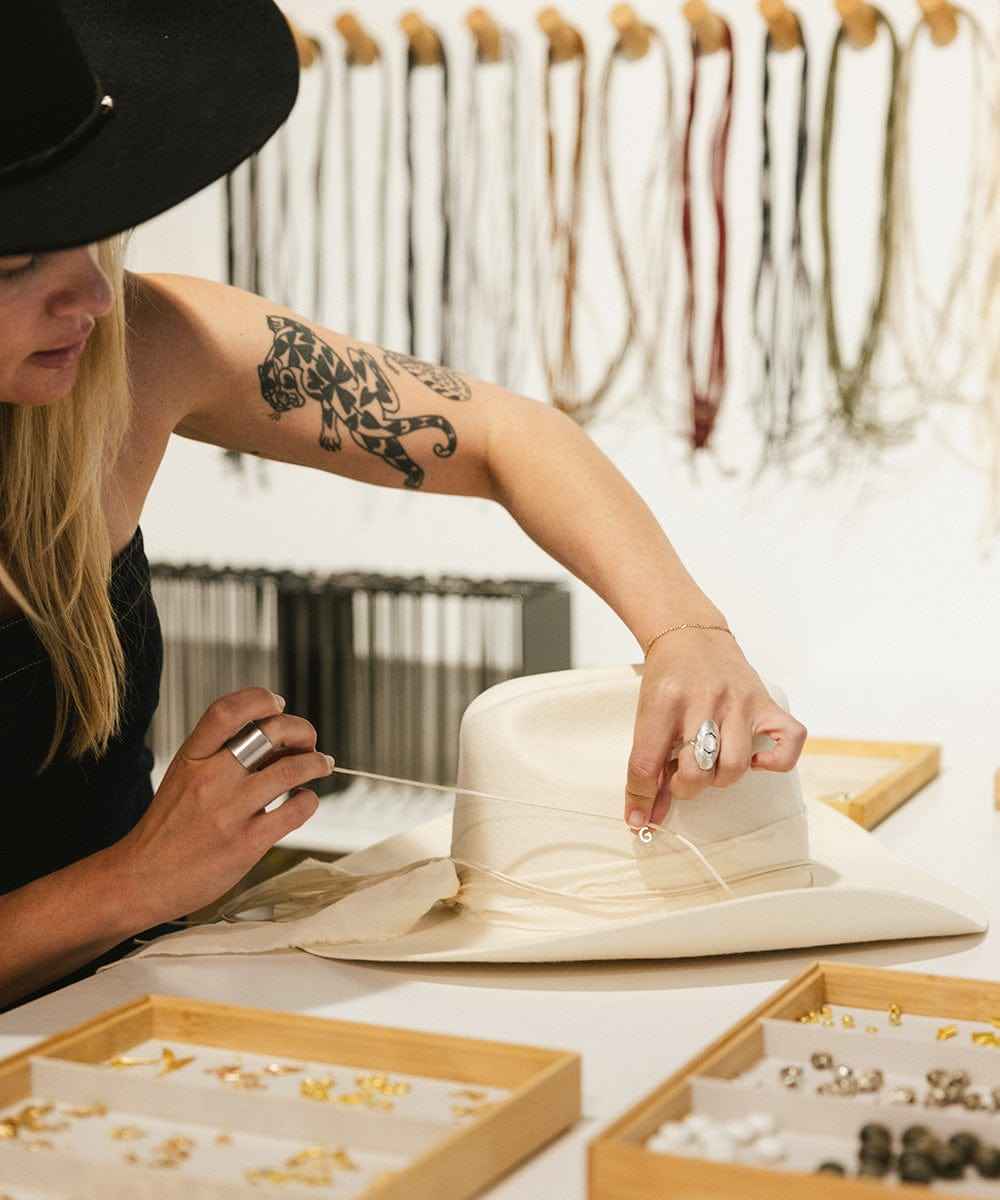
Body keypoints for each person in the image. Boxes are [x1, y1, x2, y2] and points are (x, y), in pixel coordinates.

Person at [0, 0, 806, 1010]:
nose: (94, 299)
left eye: (97, 232)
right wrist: (134, 882)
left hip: (129, 1003)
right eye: (17, 263)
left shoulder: (141, 353)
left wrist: (686, 630)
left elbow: (508, 437)